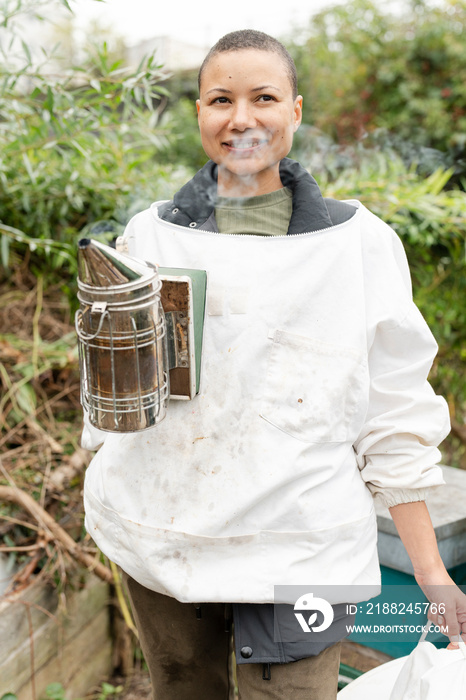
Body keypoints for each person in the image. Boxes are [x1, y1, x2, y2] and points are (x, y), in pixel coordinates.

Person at [81, 29, 466, 700]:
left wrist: (430, 572)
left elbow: (396, 416)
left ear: (295, 109)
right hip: (164, 535)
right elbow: (117, 391)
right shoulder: (151, 233)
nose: (242, 118)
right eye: (220, 99)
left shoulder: (360, 246)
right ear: (198, 112)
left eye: (264, 97)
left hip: (302, 547)